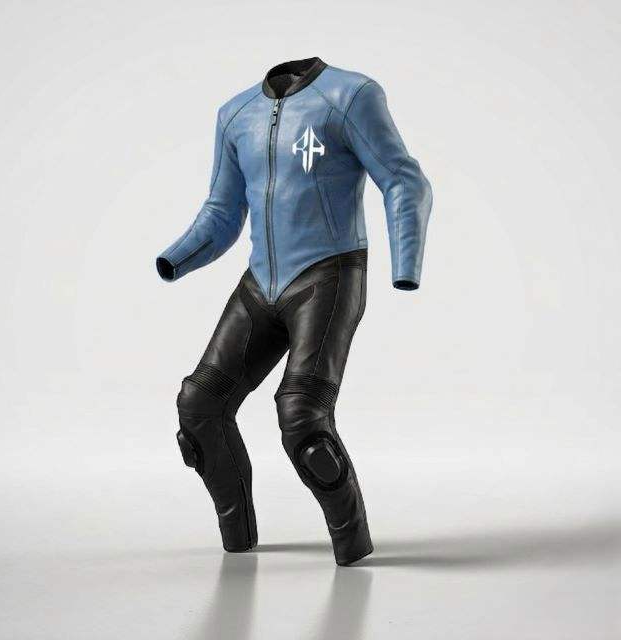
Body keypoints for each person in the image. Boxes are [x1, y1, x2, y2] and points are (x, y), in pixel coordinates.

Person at [156, 57, 432, 565]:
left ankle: (353, 546)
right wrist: (176, 258)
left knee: (302, 415)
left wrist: (406, 263)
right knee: (199, 406)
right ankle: (238, 541)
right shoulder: (236, 113)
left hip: (328, 275)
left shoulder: (350, 96)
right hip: (260, 284)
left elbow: (402, 179)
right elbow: (222, 210)